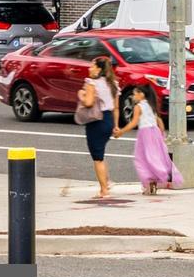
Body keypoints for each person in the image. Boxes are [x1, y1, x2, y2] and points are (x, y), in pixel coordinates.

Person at [117, 84, 180, 193]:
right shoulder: (151, 105)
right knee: (154, 157)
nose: (133, 96)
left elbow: (134, 123)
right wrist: (162, 133)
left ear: (141, 94)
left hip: (145, 133)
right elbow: (158, 120)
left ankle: (150, 184)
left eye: (135, 94)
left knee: (142, 159)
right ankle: (153, 183)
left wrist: (121, 131)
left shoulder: (138, 107)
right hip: (154, 132)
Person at [77, 54, 120, 199]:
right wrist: (116, 125)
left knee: (97, 157)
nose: (89, 68)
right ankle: (107, 182)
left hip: (96, 120)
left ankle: (104, 190)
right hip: (108, 120)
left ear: (98, 69)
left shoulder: (92, 83)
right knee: (100, 154)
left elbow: (88, 103)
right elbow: (116, 107)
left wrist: (81, 95)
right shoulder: (113, 83)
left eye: (92, 66)